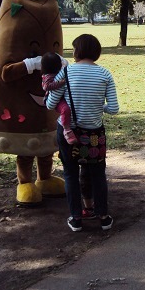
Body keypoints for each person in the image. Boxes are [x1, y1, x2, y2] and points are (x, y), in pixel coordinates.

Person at [46, 34, 119, 232]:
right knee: (97, 174)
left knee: (70, 173)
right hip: (94, 134)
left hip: (69, 132)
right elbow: (113, 108)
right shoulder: (105, 74)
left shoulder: (66, 73)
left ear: (77, 51)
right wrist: (97, 107)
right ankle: (103, 217)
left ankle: (76, 219)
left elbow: (51, 103)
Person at [40, 52, 77, 144]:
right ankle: (67, 130)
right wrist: (60, 83)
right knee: (66, 109)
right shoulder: (47, 76)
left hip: (62, 97)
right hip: (54, 99)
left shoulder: (59, 72)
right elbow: (46, 86)